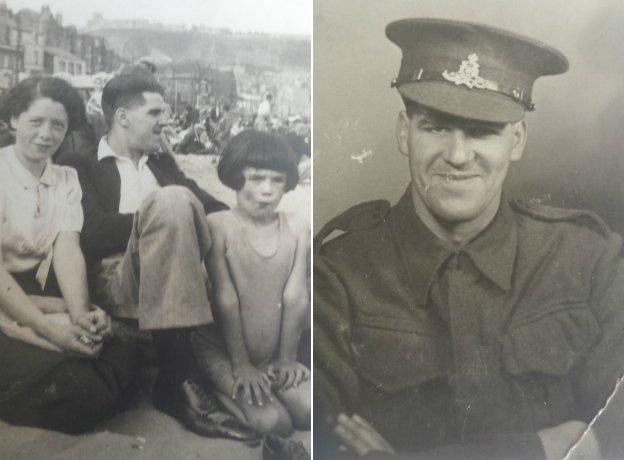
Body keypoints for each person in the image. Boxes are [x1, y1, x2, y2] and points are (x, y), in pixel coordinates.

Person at [314, 18, 624, 459]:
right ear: (405, 132)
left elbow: (618, 433)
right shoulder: (338, 275)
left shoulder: (588, 258)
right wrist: (541, 449)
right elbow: (320, 447)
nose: (458, 157)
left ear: (516, 141)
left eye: (482, 131)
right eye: (437, 127)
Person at [59, 74, 255, 440]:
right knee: (172, 201)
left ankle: (259, 357)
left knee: (221, 217)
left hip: (175, 271)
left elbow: (212, 206)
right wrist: (157, 218)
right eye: (155, 113)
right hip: (118, 278)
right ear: (122, 116)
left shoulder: (161, 165)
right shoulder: (81, 164)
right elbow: (89, 231)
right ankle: (178, 377)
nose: (165, 121)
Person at [0, 76, 139, 434]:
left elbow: (67, 249)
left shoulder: (66, 179)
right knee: (80, 389)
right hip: (7, 295)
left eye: (58, 125)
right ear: (14, 120)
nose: (47, 134)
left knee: (120, 351)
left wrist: (78, 314)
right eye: (36, 122)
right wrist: (48, 329)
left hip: (41, 293)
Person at [192, 129, 310, 436]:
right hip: (226, 352)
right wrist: (241, 366)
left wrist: (286, 359)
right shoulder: (218, 225)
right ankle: (217, 389)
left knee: (310, 411)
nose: (268, 190)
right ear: (235, 178)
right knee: (275, 424)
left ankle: (267, 383)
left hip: (273, 353)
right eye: (257, 179)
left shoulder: (297, 227)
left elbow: (296, 296)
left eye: (278, 180)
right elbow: (225, 298)